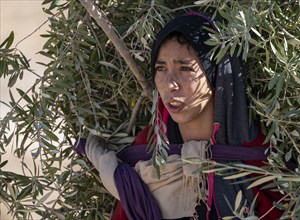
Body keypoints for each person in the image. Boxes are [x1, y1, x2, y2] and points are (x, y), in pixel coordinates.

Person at [75, 12, 284, 220]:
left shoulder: (262, 162)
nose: (170, 84)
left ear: (217, 74)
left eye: (185, 68)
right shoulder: (147, 151)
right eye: (161, 68)